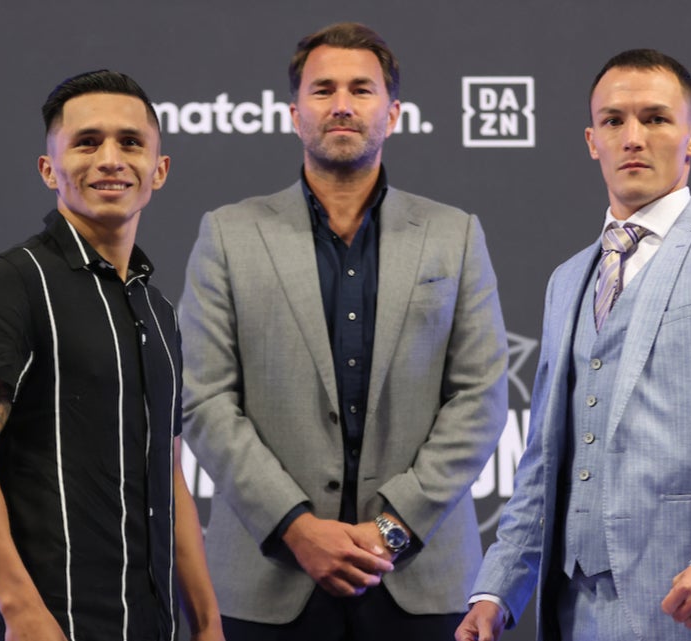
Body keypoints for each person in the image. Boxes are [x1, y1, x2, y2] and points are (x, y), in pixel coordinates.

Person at [179, 21, 509, 641]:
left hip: (422, 576)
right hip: (269, 578)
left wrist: (389, 531)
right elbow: (204, 398)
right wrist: (297, 528)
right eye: (322, 89)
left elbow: (482, 397)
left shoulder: (454, 233)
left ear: (393, 112)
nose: (341, 105)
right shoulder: (228, 234)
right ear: (294, 113)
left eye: (361, 89)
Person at [455, 49, 691, 641]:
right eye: (614, 121)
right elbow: (544, 461)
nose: (632, 137)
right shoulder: (568, 278)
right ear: (592, 141)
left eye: (656, 118)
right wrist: (497, 589)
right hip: (574, 615)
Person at [0, 70, 224, 641]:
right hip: (54, 625)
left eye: (131, 142)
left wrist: (208, 622)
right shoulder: (12, 281)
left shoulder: (159, 309)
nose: (111, 159)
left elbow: (170, 477)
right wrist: (22, 612)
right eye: (87, 142)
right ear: (49, 169)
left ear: (159, 171)